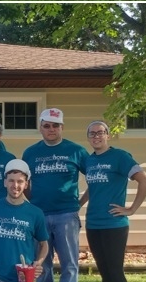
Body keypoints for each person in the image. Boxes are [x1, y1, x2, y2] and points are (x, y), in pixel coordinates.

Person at [22, 108, 89, 282]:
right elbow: (23, 182)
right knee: (42, 264)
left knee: (69, 264)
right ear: (40, 128)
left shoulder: (76, 151)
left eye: (55, 125)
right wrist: (33, 201)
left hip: (66, 215)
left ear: (62, 127)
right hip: (39, 215)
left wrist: (79, 203)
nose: (51, 129)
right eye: (47, 126)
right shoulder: (30, 153)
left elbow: (94, 178)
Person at [82, 121, 146, 282]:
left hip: (113, 223)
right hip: (93, 223)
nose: (96, 136)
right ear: (88, 137)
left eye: (100, 132)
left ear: (108, 135)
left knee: (115, 273)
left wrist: (131, 209)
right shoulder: (89, 161)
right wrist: (79, 203)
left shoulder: (120, 157)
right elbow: (94, 187)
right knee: (104, 272)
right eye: (92, 133)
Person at [0, 159, 49, 282]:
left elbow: (44, 244)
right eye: (11, 181)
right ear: (5, 182)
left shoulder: (36, 213)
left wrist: (38, 263)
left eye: (20, 181)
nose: (15, 185)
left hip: (22, 277)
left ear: (26, 184)